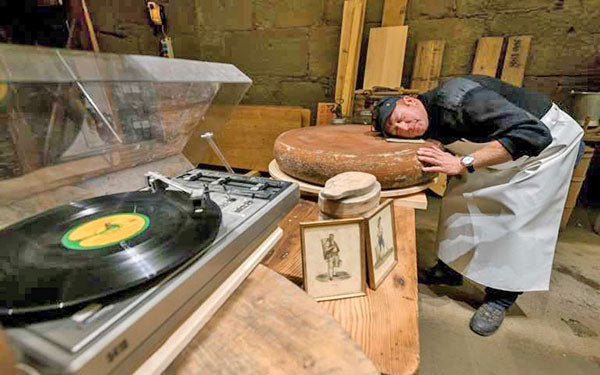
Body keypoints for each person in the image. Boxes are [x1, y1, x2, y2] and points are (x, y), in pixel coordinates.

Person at [372, 75, 584, 336]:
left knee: (517, 220)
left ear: (409, 100)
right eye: (396, 130)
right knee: (459, 200)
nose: (405, 127)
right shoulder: (425, 119)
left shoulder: (459, 100)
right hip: (505, 144)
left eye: (400, 118)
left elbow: (534, 134)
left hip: (547, 143)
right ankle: (449, 270)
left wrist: (463, 163)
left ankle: (500, 298)